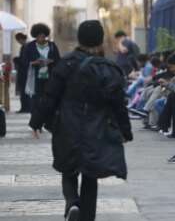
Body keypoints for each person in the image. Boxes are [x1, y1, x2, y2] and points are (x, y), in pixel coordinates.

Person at [29, 20, 133, 221]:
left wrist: (36, 122)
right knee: (90, 173)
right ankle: (87, 217)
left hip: (67, 125)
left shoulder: (65, 63)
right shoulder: (108, 68)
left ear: (80, 39)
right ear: (100, 40)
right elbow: (118, 104)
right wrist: (125, 131)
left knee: (68, 169)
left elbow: (50, 96)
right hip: (96, 128)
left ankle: (72, 203)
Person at [23, 23, 60, 112]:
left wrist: (50, 61)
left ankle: (47, 115)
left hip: (49, 76)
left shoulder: (52, 46)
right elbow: (25, 61)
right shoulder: (30, 46)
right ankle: (36, 118)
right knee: (36, 98)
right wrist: (34, 62)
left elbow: (58, 59)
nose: (41, 39)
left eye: (43, 36)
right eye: (39, 36)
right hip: (35, 77)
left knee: (48, 97)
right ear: (35, 36)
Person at [13, 33, 30, 113]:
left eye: (18, 40)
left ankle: (25, 108)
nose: (18, 42)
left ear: (21, 39)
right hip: (24, 72)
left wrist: (17, 60)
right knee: (23, 92)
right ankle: (24, 107)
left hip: (24, 73)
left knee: (24, 92)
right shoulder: (25, 47)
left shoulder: (26, 47)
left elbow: (25, 61)